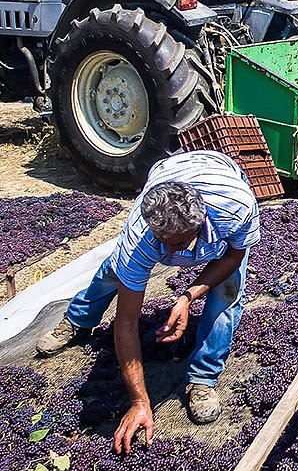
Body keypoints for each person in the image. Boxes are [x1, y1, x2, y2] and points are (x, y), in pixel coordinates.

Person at [34, 150, 259, 453]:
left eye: (176, 244)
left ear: (200, 221)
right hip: (168, 173)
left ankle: (203, 377)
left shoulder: (236, 208)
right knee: (116, 271)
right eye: (161, 243)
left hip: (218, 173)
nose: (168, 252)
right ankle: (79, 318)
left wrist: (188, 295)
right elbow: (126, 322)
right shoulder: (140, 236)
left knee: (227, 293)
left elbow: (234, 256)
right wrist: (139, 401)